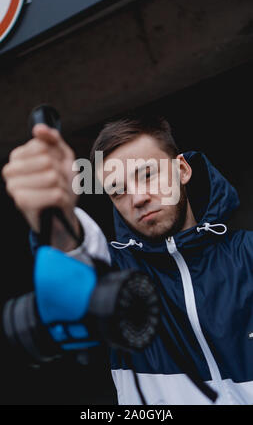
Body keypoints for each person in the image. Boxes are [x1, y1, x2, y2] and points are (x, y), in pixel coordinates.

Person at [2, 114, 253, 405]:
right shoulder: (115, 273)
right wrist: (53, 214)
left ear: (182, 169)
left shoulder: (248, 253)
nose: (137, 198)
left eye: (147, 175)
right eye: (117, 190)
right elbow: (75, 265)